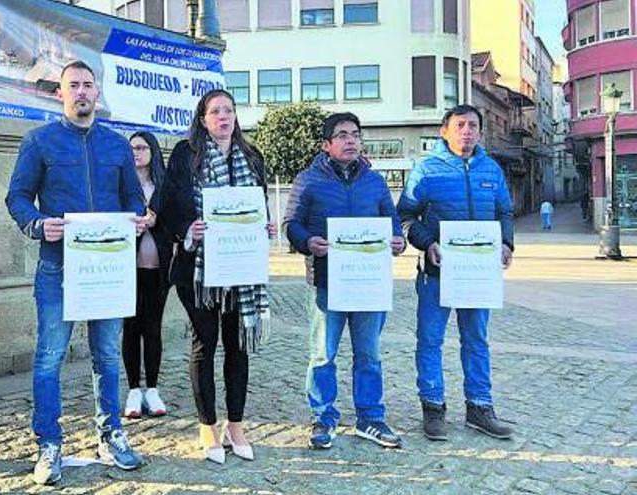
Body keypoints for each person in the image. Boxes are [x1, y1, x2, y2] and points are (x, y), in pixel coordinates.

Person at [5, 60, 150, 486]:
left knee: (107, 355)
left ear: (97, 92)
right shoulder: (39, 141)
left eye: (89, 85)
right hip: (58, 267)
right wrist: (36, 223)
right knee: (49, 358)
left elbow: (132, 198)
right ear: (60, 93)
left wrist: (138, 218)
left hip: (108, 267)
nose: (82, 92)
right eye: (74, 86)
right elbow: (17, 196)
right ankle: (48, 443)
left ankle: (110, 434)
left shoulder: (116, 144)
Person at [158, 88, 276, 465]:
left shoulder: (252, 157)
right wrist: (186, 230)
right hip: (198, 270)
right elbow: (168, 204)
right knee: (203, 346)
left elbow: (257, 204)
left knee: (238, 347)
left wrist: (265, 228)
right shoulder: (184, 154)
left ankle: (236, 425)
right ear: (203, 118)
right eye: (215, 112)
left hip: (241, 269)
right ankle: (207, 425)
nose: (223, 117)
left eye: (229, 110)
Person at [283, 112, 406, 450]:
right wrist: (307, 242)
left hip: (369, 283)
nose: (351, 140)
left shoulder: (375, 182)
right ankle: (323, 416)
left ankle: (370, 417)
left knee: (369, 354)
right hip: (326, 282)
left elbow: (393, 224)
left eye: (355, 134)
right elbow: (291, 224)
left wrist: (398, 242)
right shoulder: (308, 180)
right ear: (326, 145)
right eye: (342, 135)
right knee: (323, 354)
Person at [397, 104, 515, 442]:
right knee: (430, 340)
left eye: (474, 125)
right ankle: (433, 407)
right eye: (460, 124)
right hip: (436, 274)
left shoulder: (491, 169)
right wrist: (427, 243)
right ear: (444, 130)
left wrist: (507, 243)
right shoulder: (426, 170)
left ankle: (479, 407)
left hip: (479, 276)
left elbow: (505, 211)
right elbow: (405, 216)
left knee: (476, 340)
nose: (467, 130)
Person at [122, 131, 172, 419]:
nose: (136, 153)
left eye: (141, 148)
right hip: (128, 268)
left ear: (152, 151)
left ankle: (151, 388)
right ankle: (133, 389)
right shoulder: (123, 186)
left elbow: (176, 221)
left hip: (158, 268)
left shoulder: (164, 186)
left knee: (153, 328)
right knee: (131, 327)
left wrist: (157, 219)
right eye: (131, 149)